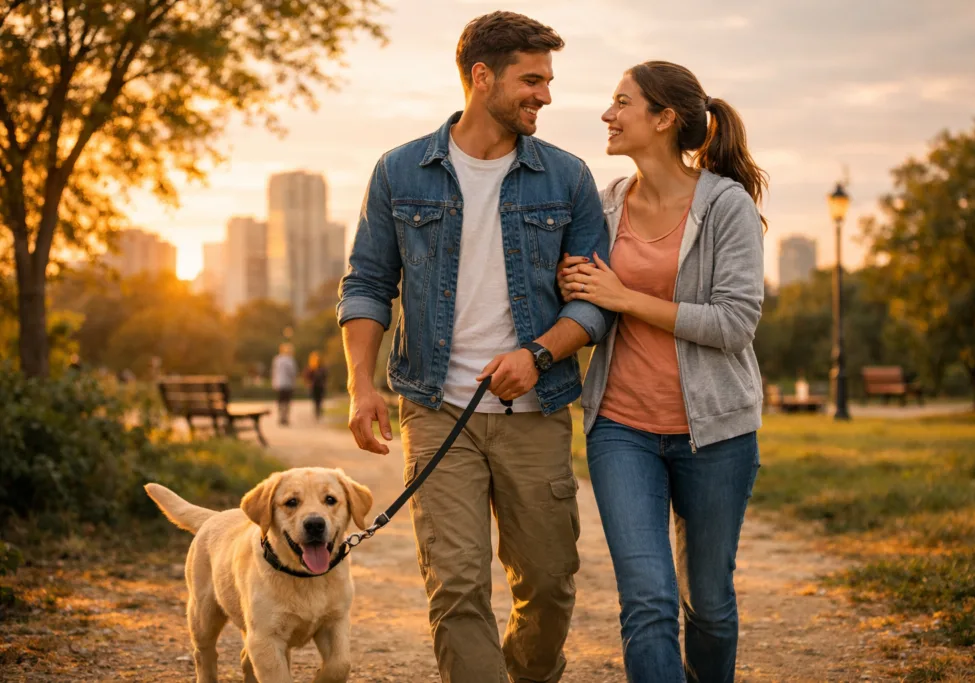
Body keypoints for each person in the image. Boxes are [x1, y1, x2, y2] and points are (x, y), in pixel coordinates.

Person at [337, 12, 614, 683]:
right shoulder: (399, 171)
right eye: (532, 80)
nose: (546, 95)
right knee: (457, 585)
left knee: (548, 584)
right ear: (482, 77)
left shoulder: (568, 178)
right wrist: (361, 385)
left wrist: (538, 354)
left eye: (548, 81)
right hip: (436, 410)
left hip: (536, 410)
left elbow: (596, 300)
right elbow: (368, 283)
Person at [557, 61, 767, 683]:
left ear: (665, 118)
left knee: (710, 605)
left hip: (716, 433)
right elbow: (585, 295)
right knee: (647, 601)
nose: (608, 114)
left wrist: (624, 297)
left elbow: (734, 323)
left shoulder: (725, 205)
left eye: (622, 102)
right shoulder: (605, 204)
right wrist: (573, 286)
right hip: (621, 428)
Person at [271, 342, 298, 426]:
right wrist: (294, 383)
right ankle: (285, 417)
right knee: (286, 401)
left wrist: (274, 382)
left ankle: (281, 417)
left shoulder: (277, 359)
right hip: (288, 384)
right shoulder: (290, 360)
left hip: (279, 384)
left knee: (280, 401)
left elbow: (274, 372)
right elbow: (293, 373)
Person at [304, 350, 329, 421]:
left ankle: (318, 411)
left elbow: (325, 376)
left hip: (320, 386)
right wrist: (309, 383)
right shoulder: (310, 368)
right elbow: (306, 377)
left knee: (319, 400)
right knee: (316, 400)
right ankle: (317, 411)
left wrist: (324, 383)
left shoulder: (322, 368)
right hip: (314, 387)